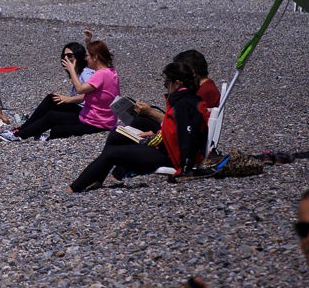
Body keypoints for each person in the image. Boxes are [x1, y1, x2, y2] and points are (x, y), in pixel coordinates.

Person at [67, 60, 207, 193]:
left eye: (167, 82)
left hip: (170, 156)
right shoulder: (185, 99)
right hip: (167, 147)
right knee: (116, 137)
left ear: (177, 83)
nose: (165, 86)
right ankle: (97, 178)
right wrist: (156, 133)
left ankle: (75, 188)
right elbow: (175, 129)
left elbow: (187, 136)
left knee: (111, 153)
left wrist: (184, 167)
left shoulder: (183, 104)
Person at [0, 39, 118, 142]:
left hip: (95, 121)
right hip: (96, 118)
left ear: (95, 57)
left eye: (87, 56)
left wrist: (72, 70)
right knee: (55, 119)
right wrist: (88, 41)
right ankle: (21, 131)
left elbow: (80, 90)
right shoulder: (110, 72)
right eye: (64, 56)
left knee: (53, 117)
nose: (86, 59)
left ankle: (18, 135)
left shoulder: (98, 74)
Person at [15, 38, 96, 134]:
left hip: (86, 112)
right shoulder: (78, 73)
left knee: (52, 100)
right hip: (80, 110)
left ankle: (21, 131)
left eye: (70, 55)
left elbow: (88, 96)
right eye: (64, 56)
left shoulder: (85, 73)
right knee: (52, 105)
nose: (66, 58)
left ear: (78, 56)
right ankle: (24, 129)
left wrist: (68, 99)